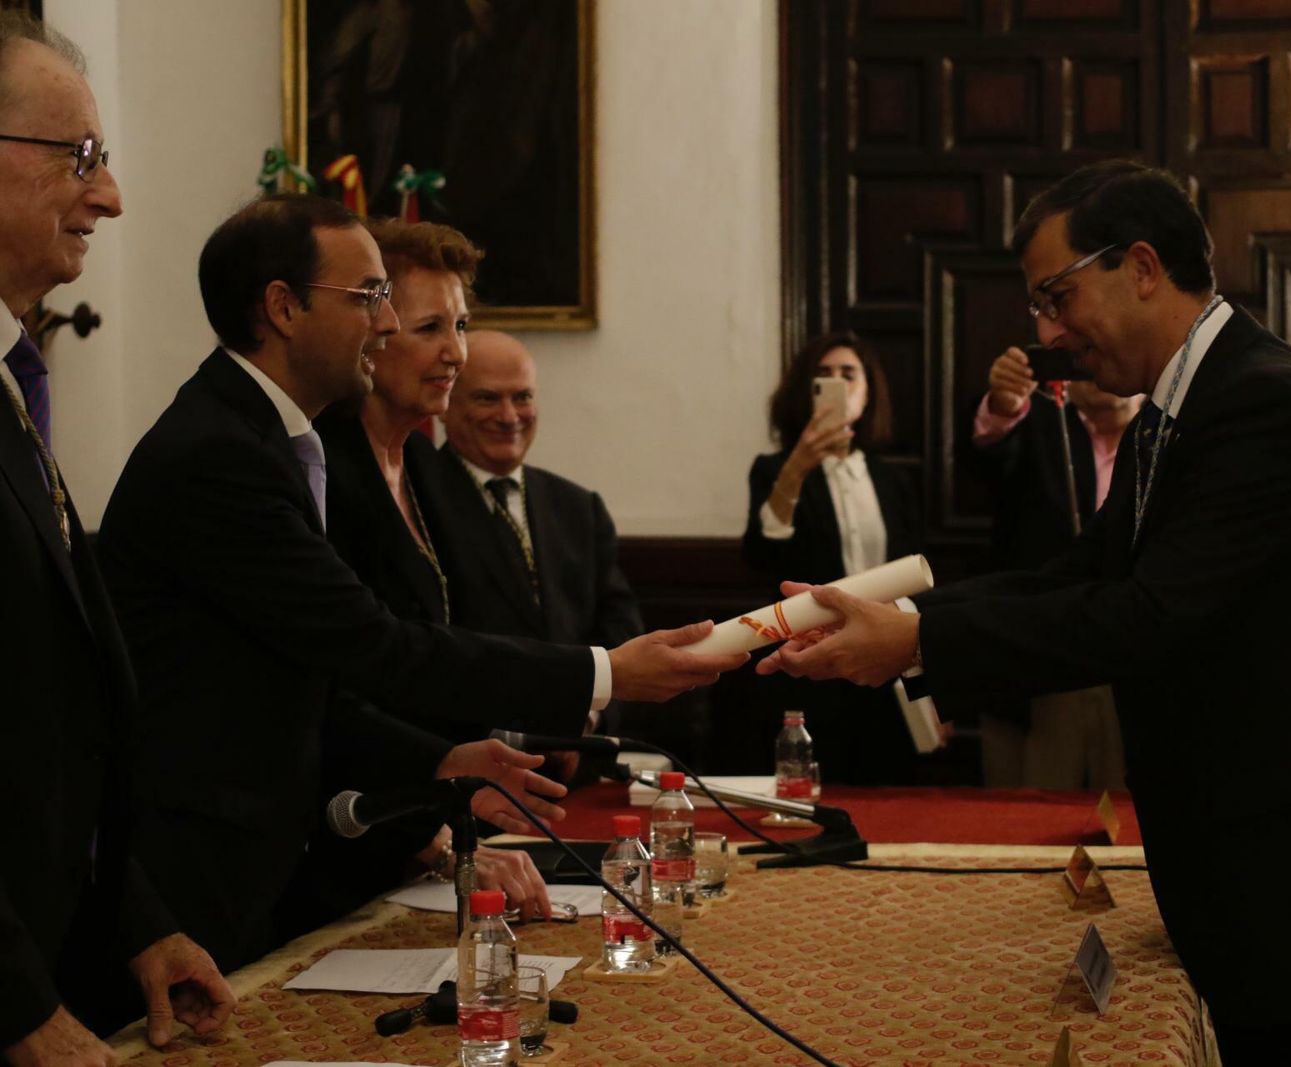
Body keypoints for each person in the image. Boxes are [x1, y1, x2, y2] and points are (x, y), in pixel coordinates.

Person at [758, 160, 1291, 1066]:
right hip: (1262, 880)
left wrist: (921, 639)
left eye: (1057, 296)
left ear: (1139, 266)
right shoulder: (1177, 408)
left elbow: (1143, 615)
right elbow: (1080, 572)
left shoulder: (1263, 404)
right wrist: (892, 611)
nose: (1050, 331)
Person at [96, 193, 746, 974]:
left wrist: (445, 760)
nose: (384, 323)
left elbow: (316, 674)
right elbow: (369, 647)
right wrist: (607, 671)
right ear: (282, 308)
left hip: (280, 851)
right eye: (370, 299)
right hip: (199, 866)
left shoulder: (275, 438)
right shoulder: (223, 454)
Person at [0, 11, 235, 1056]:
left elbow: (45, 719)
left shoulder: (13, 383)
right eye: (82, 158)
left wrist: (132, 916)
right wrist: (13, 1001)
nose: (111, 195)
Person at [295, 219, 549, 935]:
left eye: (462, 324)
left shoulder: (434, 472)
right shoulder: (325, 471)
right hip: (334, 844)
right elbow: (342, 682)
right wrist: (433, 840)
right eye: (432, 325)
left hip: (421, 838)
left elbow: (464, 645)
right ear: (374, 332)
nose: (456, 353)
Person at [434, 328, 645, 738]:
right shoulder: (418, 498)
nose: (510, 416)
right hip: (468, 755)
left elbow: (620, 630)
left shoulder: (579, 507)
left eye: (523, 397)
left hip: (578, 756)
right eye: (487, 398)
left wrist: (587, 718)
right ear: (445, 404)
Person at [742, 332, 923, 785]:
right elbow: (763, 554)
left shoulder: (892, 479)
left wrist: (927, 688)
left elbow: (913, 584)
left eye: (848, 374)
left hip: (886, 659)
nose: (836, 382)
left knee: (892, 790)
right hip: (810, 660)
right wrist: (799, 464)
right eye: (824, 375)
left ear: (867, 391)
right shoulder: (775, 469)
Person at [966, 352, 1143, 788]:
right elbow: (989, 459)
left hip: (1140, 664)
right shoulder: (1042, 424)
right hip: (1041, 664)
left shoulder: (1174, 434)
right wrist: (1005, 405)